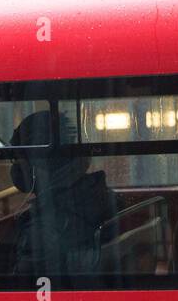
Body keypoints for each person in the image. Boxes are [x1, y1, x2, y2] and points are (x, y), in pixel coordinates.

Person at [8, 110, 117, 278]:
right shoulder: (102, 197)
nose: (15, 169)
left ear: (36, 164)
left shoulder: (42, 232)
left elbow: (17, 290)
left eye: (18, 161)